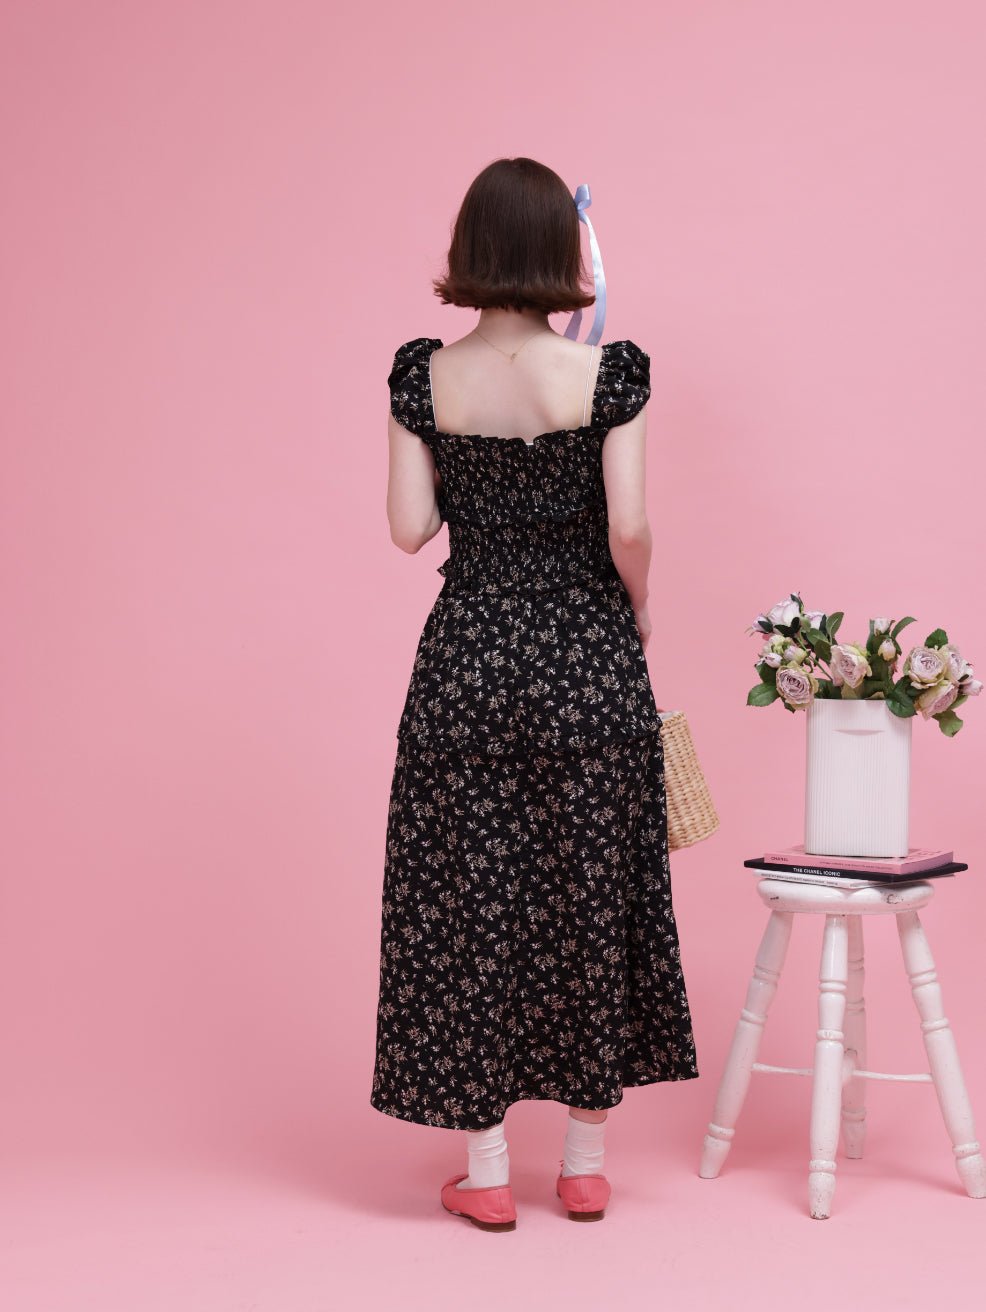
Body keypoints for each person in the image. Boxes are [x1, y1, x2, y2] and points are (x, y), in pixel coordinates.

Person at [371, 156, 698, 1231]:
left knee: (467, 903)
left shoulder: (421, 377)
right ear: (564, 252)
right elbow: (629, 527)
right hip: (586, 656)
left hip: (467, 661)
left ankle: (486, 1169)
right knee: (591, 890)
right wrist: (635, 612)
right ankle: (586, 1163)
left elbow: (410, 529)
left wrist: (474, 488)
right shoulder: (608, 376)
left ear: (468, 251)